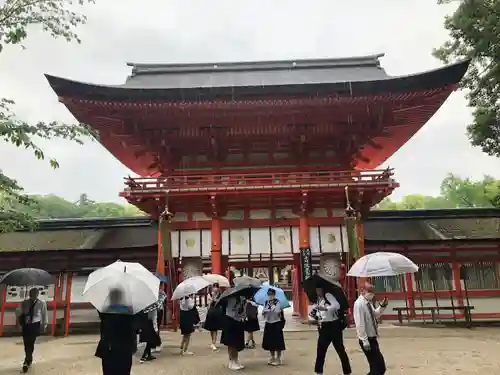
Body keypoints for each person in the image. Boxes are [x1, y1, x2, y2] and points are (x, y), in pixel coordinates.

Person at [95, 289, 137, 375]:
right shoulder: (130, 312)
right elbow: (134, 329)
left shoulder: (104, 311)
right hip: (125, 348)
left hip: (109, 348)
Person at [313, 286, 352, 375]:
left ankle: (347, 371)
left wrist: (325, 308)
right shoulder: (318, 300)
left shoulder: (328, 295)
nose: (318, 291)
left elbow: (336, 306)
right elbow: (320, 314)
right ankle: (319, 372)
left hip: (334, 325)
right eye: (316, 290)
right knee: (320, 350)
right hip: (324, 326)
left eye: (319, 289)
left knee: (340, 350)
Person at [353, 282, 388, 375]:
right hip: (367, 339)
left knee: (377, 367)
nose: (371, 294)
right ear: (362, 291)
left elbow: (375, 315)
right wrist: (364, 340)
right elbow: (360, 324)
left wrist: (382, 306)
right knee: (379, 368)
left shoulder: (368, 302)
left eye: (373, 292)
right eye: (369, 291)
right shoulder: (359, 304)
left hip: (373, 337)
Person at [18, 288, 47, 373]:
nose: (33, 295)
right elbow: (19, 313)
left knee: (31, 342)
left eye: (34, 293)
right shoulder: (25, 303)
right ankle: (27, 359)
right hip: (26, 325)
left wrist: (44, 324)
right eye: (31, 293)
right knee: (26, 343)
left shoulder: (41, 303)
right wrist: (21, 310)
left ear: (37, 294)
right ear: (29, 294)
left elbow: (44, 314)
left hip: (35, 325)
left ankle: (28, 359)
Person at [221, 295, 246, 370]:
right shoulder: (229, 298)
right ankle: (231, 361)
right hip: (230, 321)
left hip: (238, 321)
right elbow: (228, 310)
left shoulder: (241, 299)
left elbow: (242, 311)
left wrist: (243, 313)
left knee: (237, 342)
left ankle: (236, 359)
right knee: (231, 343)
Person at [261, 288, 285, 366]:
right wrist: (264, 312)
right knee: (270, 341)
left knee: (278, 341)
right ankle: (272, 357)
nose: (270, 296)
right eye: (268, 294)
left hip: (276, 323)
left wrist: (273, 309)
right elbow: (264, 314)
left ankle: (278, 358)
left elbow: (278, 312)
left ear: (274, 295)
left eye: (271, 294)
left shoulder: (277, 302)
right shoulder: (266, 302)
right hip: (268, 322)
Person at [204, 283, 223, 351]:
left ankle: (214, 342)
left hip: (217, 312)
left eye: (216, 287)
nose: (215, 289)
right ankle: (213, 341)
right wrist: (212, 298)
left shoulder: (220, 295)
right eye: (214, 287)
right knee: (211, 329)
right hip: (211, 312)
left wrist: (216, 298)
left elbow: (220, 303)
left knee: (215, 329)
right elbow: (208, 305)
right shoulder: (210, 294)